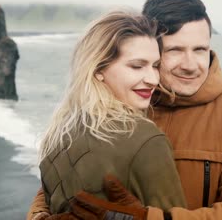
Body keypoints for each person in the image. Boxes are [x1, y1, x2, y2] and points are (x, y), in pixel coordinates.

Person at [28, 0, 222, 220]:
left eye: (200, 49)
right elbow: (58, 180)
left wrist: (148, 218)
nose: (191, 64)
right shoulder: (115, 105)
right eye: (175, 50)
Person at [29, 11, 187, 220]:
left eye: (155, 66)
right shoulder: (145, 139)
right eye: (137, 66)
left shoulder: (58, 134)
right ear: (98, 69)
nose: (152, 79)